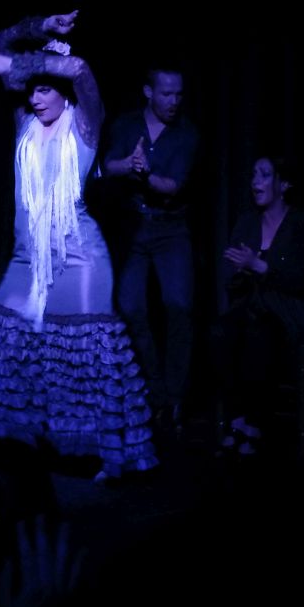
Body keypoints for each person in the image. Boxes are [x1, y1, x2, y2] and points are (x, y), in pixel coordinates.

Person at [0, 12, 156, 480]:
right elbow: (0, 40)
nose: (34, 97)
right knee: (2, 350)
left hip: (79, 258)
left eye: (44, 89)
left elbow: (80, 69)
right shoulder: (24, 124)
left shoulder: (85, 123)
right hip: (27, 259)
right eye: (30, 90)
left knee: (87, 359)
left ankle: (111, 456)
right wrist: (42, 26)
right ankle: (3, 448)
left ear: (63, 93)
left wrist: (20, 64)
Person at [100, 65, 199, 432]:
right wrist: (129, 164)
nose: (174, 101)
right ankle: (155, 393)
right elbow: (108, 165)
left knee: (179, 307)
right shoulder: (127, 125)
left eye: (179, 94)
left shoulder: (187, 133)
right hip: (134, 227)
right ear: (148, 92)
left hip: (171, 228)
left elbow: (173, 186)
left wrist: (144, 174)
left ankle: (175, 398)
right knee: (130, 309)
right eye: (166, 94)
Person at [215, 156, 304, 455]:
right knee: (220, 332)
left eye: (264, 175)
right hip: (250, 305)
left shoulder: (302, 223)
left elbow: (302, 279)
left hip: (290, 311)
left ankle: (255, 422)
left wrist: (258, 266)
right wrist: (239, 272)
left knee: (258, 333)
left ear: (283, 183)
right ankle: (236, 418)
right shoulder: (247, 223)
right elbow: (230, 274)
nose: (255, 182)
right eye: (253, 175)